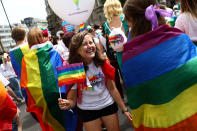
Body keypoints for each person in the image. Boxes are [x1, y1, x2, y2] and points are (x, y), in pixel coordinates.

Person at [123, 0, 197, 130]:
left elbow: (138, 100)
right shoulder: (180, 38)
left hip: (159, 125)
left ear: (131, 20)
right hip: (191, 119)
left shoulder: (131, 58)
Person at [58, 31, 132, 131]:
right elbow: (72, 100)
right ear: (77, 51)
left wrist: (125, 110)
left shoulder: (103, 63)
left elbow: (112, 88)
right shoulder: (75, 70)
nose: (90, 46)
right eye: (84, 44)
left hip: (108, 105)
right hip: (87, 111)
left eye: (91, 42)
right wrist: (68, 104)